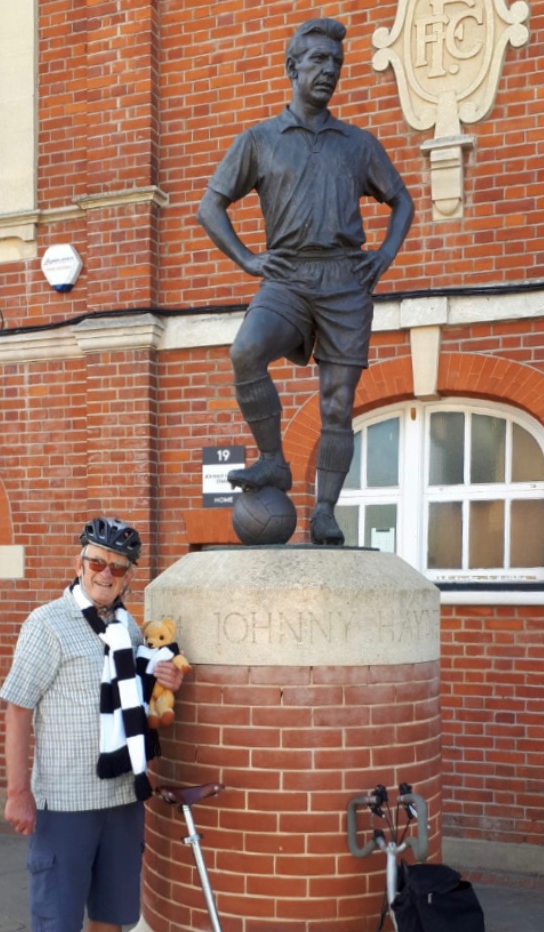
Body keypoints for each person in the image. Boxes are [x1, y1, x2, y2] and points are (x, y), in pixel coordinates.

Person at [197, 17, 414, 545]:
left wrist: (383, 255)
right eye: (318, 61)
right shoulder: (260, 139)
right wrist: (249, 260)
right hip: (287, 275)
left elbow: (401, 200)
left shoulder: (357, 144)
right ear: (292, 67)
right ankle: (273, 459)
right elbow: (211, 207)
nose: (329, 72)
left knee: (337, 402)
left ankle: (324, 512)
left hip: (345, 279)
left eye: (336, 64)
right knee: (246, 351)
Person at [0, 517, 184, 932]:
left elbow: (138, 702)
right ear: (79, 562)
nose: (105, 574)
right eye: (96, 562)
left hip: (122, 800)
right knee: (51, 929)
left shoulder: (128, 626)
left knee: (109, 924)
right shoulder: (47, 624)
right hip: (64, 805)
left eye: (118, 567)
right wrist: (17, 792)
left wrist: (162, 676)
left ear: (129, 576)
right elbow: (17, 709)